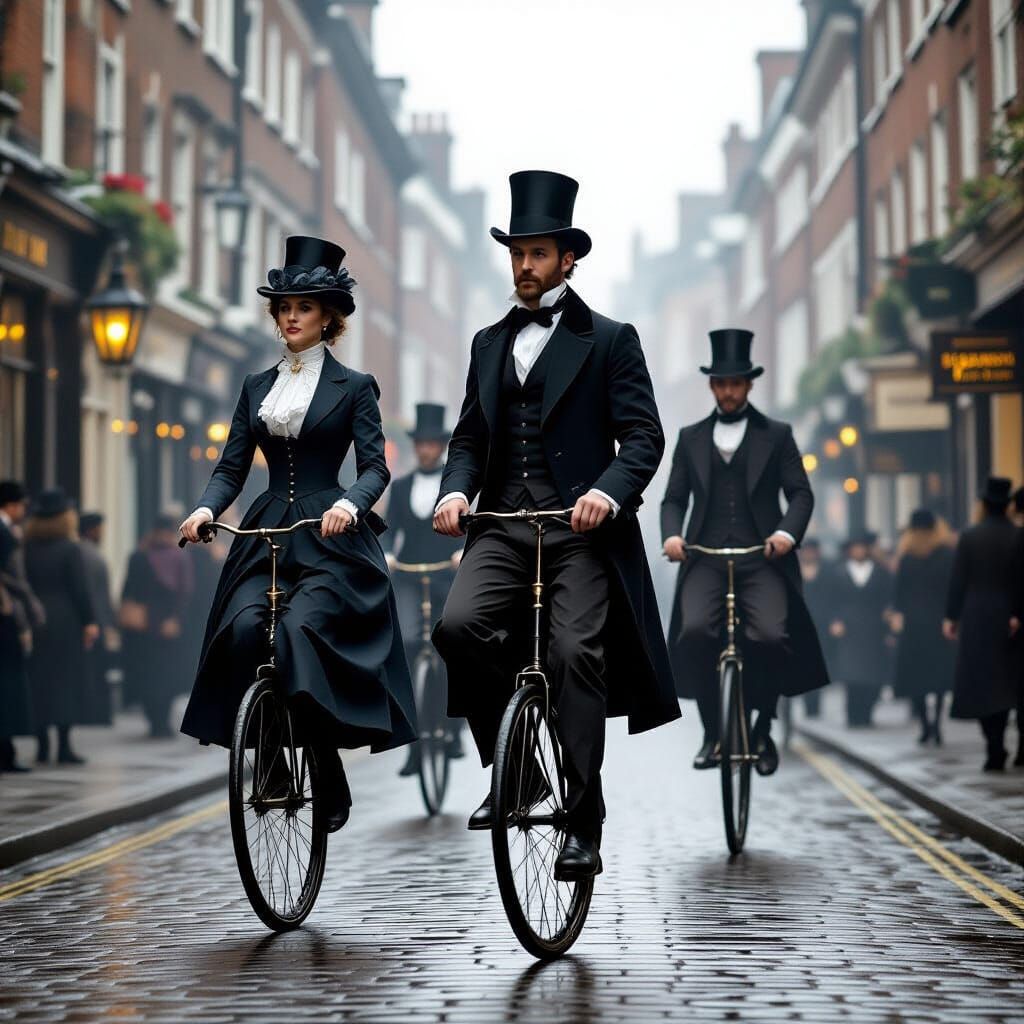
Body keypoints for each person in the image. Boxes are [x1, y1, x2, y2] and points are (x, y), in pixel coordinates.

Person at [433, 170, 679, 881]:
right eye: (516, 254)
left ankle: (581, 816)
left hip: (581, 532)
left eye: (537, 254)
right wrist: (455, 493)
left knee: (575, 654)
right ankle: (517, 771)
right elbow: (468, 440)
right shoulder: (486, 342)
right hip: (504, 522)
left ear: (567, 259)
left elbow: (643, 438)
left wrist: (608, 490)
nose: (524, 267)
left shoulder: (611, 340)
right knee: (455, 629)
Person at [178, 235, 416, 831]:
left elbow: (375, 466)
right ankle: (274, 760)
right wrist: (205, 510)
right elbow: (231, 466)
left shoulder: (354, 386)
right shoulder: (256, 386)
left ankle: (327, 771)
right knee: (241, 632)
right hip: (265, 533)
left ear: (328, 317)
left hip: (331, 534)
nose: (291, 317)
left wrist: (352, 505)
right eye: (284, 308)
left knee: (299, 632)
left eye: (304, 308)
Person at [661, 329, 829, 774]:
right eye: (720, 383)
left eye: (736, 383)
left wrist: (786, 535)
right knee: (694, 632)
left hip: (763, 557)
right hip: (703, 556)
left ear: (749, 384)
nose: (729, 391)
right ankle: (712, 732)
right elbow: (673, 498)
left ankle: (762, 725)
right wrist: (672, 536)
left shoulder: (777, 435)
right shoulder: (691, 437)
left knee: (771, 636)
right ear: (712, 386)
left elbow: (801, 495)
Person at [384, 402, 464, 777]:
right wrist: (386, 554)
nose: (425, 449)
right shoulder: (400, 488)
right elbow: (390, 529)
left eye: (431, 443)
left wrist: (465, 550)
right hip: (410, 574)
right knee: (410, 645)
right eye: (421, 444)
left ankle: (453, 730)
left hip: (448, 573)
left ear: (441, 446)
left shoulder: (455, 484)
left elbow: (474, 524)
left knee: (450, 647)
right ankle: (414, 746)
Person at [944, 477, 1024, 771]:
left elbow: (958, 581)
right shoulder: (1018, 535)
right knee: (1009, 683)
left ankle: (994, 747)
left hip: (976, 615)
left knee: (982, 684)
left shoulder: (969, 536)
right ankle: (1012, 746)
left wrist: (951, 617)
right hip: (1010, 617)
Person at [22, 489, 100, 764]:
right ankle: (64, 747)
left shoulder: (27, 547)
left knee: (40, 682)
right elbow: (80, 589)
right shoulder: (70, 548)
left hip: (36, 617)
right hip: (66, 619)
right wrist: (90, 621)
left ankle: (42, 746)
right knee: (66, 682)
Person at [120, 515, 194, 737]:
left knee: (147, 674)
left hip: (142, 625)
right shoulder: (179, 557)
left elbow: (128, 590)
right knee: (166, 675)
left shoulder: (138, 555)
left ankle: (155, 720)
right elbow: (185, 592)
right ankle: (160, 722)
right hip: (166, 624)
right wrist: (176, 619)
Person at [890, 509, 956, 745]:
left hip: (914, 624)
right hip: (938, 622)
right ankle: (937, 724)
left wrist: (897, 616)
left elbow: (898, 592)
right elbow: (952, 590)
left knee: (915, 676)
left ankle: (926, 725)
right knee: (938, 677)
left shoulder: (907, 556)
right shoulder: (948, 554)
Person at [829, 533, 893, 727]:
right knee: (851, 675)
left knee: (872, 676)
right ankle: (853, 714)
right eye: (855, 547)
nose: (859, 551)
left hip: (874, 628)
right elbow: (831, 600)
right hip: (849, 629)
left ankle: (866, 713)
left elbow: (889, 598)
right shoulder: (838, 572)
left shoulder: (881, 572)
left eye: (862, 547)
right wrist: (835, 620)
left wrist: (889, 620)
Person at [0, 480, 40, 772]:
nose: (24, 510)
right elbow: (14, 579)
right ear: (11, 505)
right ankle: (6, 752)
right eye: (22, 505)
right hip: (5, 620)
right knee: (9, 685)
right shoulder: (5, 534)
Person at [78, 512, 115, 727]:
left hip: (95, 620)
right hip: (96, 622)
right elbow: (97, 595)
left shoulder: (86, 553)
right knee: (96, 670)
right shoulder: (89, 555)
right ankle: (96, 714)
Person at [796, 537, 835, 718]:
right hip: (800, 623)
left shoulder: (827, 570)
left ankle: (816, 705)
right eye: (807, 550)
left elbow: (834, 596)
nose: (810, 553)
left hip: (822, 624)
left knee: (820, 664)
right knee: (803, 665)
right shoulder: (794, 569)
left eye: (813, 550)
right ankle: (808, 705)